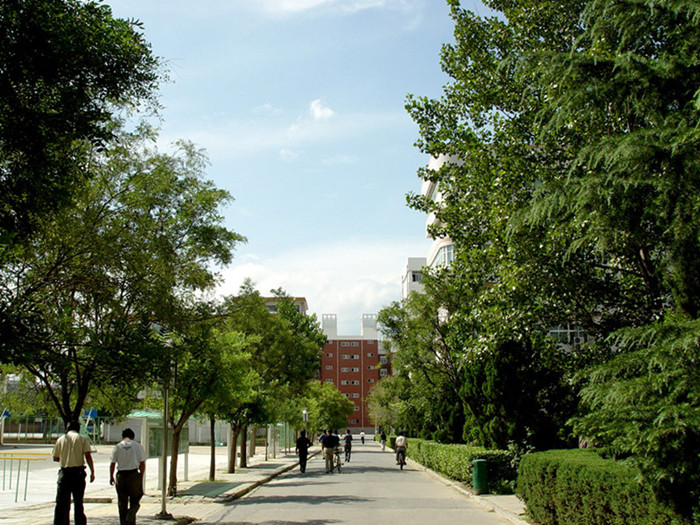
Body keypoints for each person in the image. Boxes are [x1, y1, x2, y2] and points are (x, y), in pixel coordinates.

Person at [52, 420, 95, 525]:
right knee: (78, 503)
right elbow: (88, 455)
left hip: (64, 474)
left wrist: (65, 457)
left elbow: (55, 458)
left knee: (62, 504)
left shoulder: (61, 439)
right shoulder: (82, 439)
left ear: (67, 429)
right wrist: (92, 471)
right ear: (78, 429)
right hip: (78, 474)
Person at [109, 428, 147, 525]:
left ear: (122, 437)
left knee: (122, 503)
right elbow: (142, 463)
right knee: (135, 499)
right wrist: (141, 475)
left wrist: (111, 476)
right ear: (133, 437)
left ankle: (124, 522)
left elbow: (112, 463)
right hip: (133, 475)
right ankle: (130, 516)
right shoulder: (138, 446)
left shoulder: (118, 446)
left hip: (121, 476)